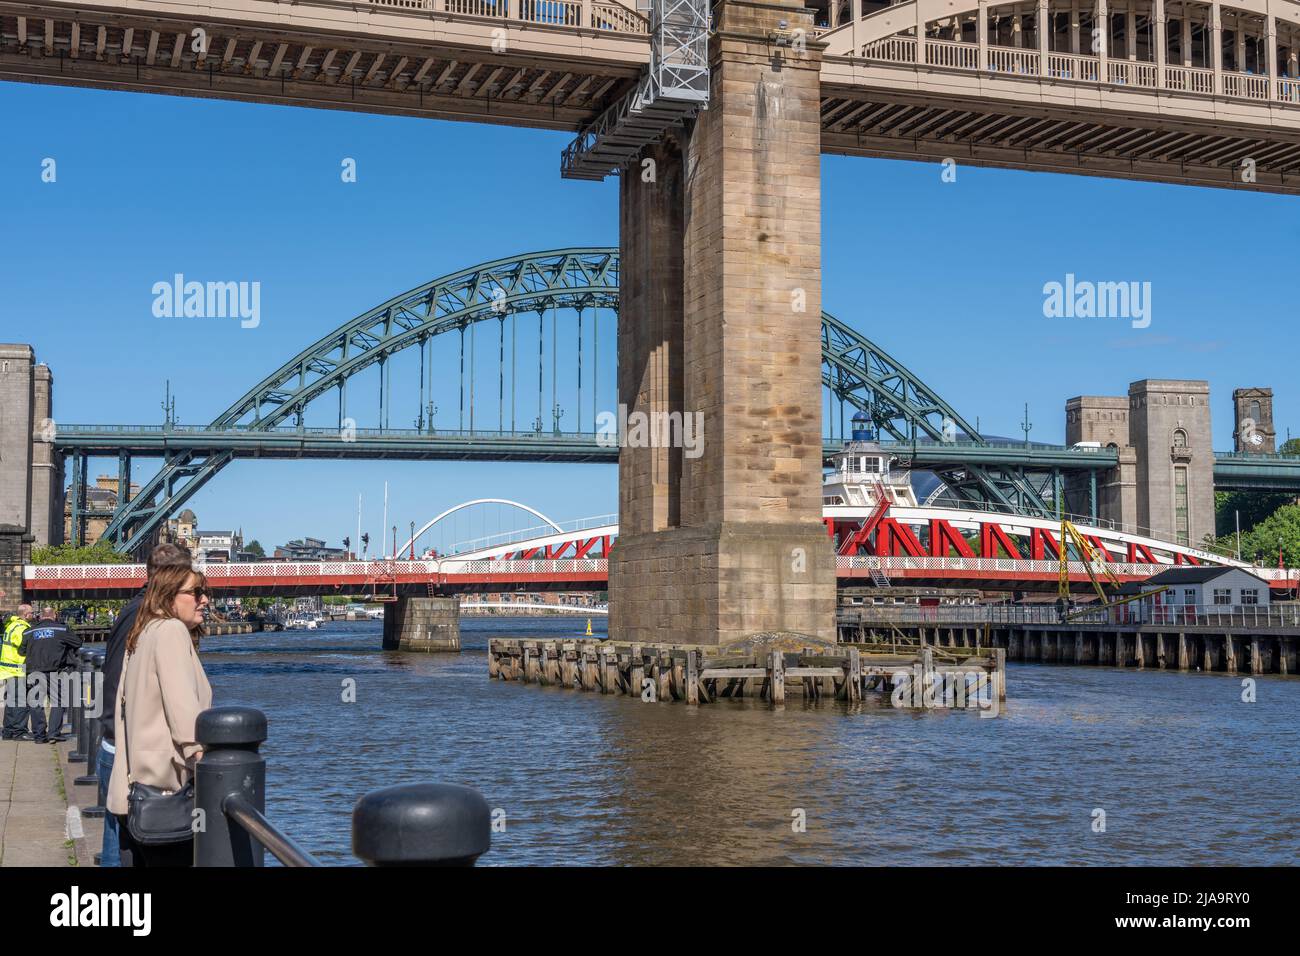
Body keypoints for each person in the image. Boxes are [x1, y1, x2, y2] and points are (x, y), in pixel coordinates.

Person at [107, 563, 212, 867]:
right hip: (165, 795)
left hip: (133, 793)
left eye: (205, 592)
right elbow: (184, 712)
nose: (204, 599)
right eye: (196, 592)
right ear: (169, 596)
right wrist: (203, 758)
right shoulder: (170, 631)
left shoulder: (143, 631)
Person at [21, 607, 83, 743]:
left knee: (35, 703)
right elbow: (78, 642)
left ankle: (39, 735)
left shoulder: (29, 631)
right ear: (54, 616)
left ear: (41, 616)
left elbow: (21, 651)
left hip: (33, 672)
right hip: (54, 671)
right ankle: (53, 733)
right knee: (58, 701)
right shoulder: (61, 629)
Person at [1, 605, 35, 740]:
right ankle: (20, 732)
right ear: (26, 614)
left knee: (10, 700)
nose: (33, 615)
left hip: (7, 668)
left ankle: (8, 731)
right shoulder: (22, 629)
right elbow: (25, 648)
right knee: (20, 701)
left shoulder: (11, 625)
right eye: (32, 613)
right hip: (18, 668)